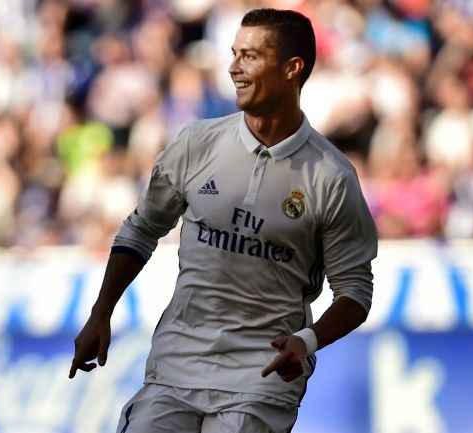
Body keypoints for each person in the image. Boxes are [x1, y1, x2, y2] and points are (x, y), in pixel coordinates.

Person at [69, 8, 378, 432]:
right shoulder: (197, 143)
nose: (234, 67)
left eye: (250, 56)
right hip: (177, 364)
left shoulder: (331, 176)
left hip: (261, 375)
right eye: (234, 54)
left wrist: (307, 342)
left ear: (292, 68)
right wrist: (100, 313)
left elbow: (356, 290)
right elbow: (141, 229)